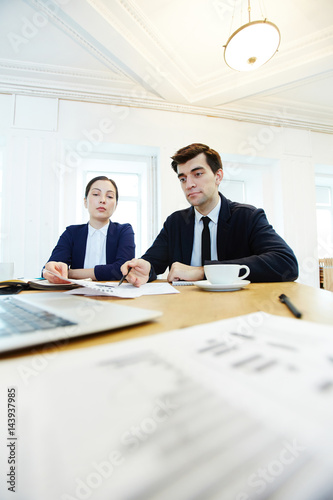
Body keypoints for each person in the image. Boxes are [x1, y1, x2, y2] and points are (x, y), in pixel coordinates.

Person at [121, 143, 298, 287]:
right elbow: (154, 261)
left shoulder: (247, 216)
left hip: (238, 307)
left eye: (197, 174)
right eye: (182, 178)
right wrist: (145, 267)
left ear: (218, 176)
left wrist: (202, 271)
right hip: (185, 309)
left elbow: (286, 263)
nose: (189, 184)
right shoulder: (175, 222)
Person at [43, 176, 135, 283]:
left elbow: (122, 270)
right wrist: (50, 269)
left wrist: (70, 273)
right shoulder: (71, 233)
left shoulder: (124, 231)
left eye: (109, 196)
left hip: (113, 295)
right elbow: (52, 270)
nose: (102, 200)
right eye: (96, 194)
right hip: (76, 295)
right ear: (85, 202)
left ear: (116, 205)